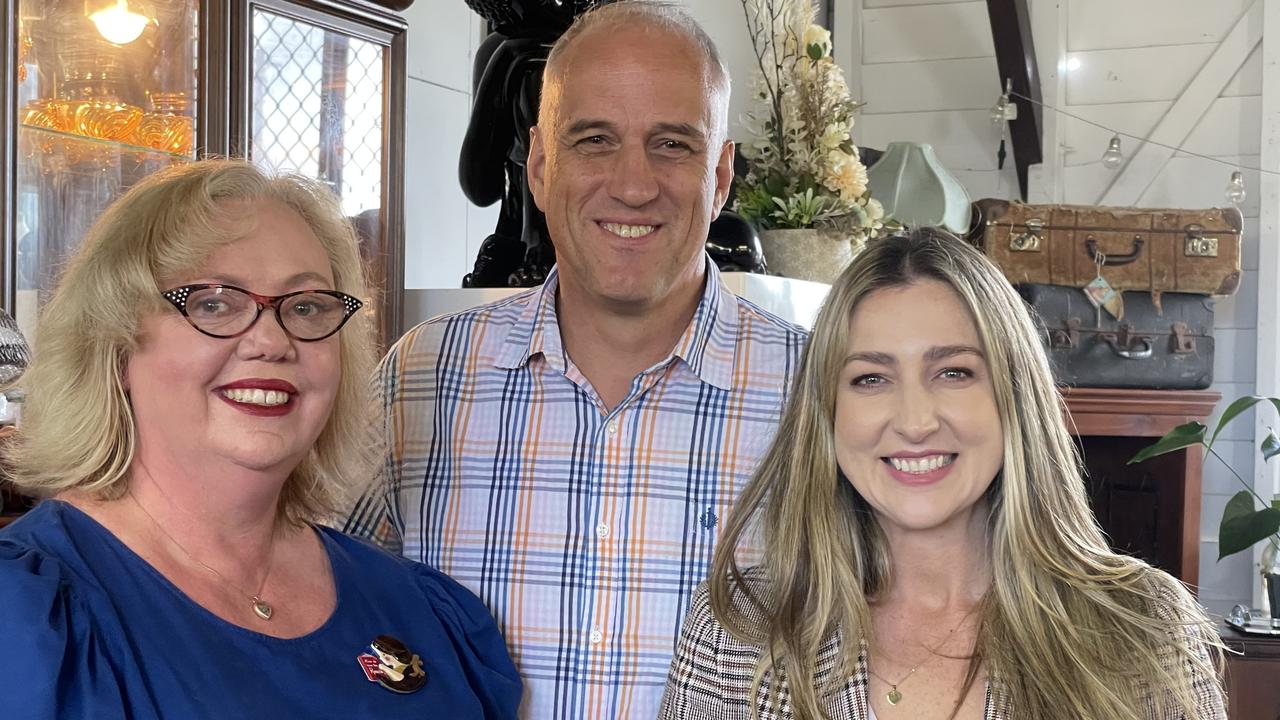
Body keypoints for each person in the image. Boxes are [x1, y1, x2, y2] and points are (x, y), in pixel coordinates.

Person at [344, 2, 807, 717]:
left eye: (673, 145)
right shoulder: (421, 381)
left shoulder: (818, 398)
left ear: (720, 178)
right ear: (537, 166)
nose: (632, 184)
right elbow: (324, 612)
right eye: (593, 140)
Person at [0, 160, 521, 719]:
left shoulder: (418, 605)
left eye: (306, 306)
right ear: (116, 344)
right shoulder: (26, 617)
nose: (272, 341)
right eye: (214, 303)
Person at [659, 228, 1226, 720]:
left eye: (954, 372)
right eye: (870, 379)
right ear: (827, 414)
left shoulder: (1144, 625)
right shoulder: (737, 635)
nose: (914, 421)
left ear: (1013, 394)